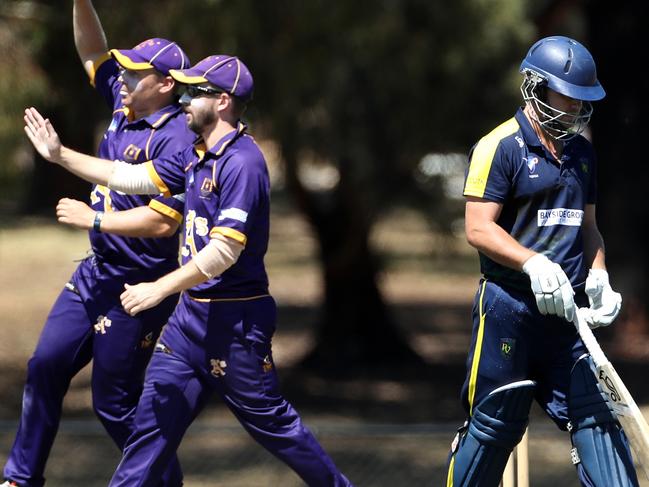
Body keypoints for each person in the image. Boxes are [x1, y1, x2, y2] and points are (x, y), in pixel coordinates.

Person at [22, 53, 353, 487]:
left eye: (193, 91)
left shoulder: (243, 163)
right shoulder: (196, 153)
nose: (183, 99)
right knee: (150, 430)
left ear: (221, 101)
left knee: (275, 427)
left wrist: (159, 288)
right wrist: (60, 155)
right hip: (187, 322)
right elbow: (132, 178)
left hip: (235, 322)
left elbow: (223, 253)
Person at [1, 1, 195, 486]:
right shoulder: (125, 100)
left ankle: (165, 483)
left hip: (138, 289)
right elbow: (92, 51)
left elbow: (162, 225)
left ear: (165, 85)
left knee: (114, 404)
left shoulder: (175, 139)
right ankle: (20, 479)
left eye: (136, 74)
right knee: (44, 365)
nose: (122, 79)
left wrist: (96, 219)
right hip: (94, 273)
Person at [445, 36, 637, 486]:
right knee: (493, 430)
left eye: (581, 100)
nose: (574, 108)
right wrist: (533, 263)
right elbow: (477, 227)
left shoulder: (582, 153)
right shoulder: (499, 146)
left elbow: (587, 227)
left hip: (568, 320)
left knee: (600, 429)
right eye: (565, 96)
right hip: (508, 312)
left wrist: (600, 275)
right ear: (535, 86)